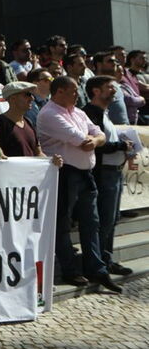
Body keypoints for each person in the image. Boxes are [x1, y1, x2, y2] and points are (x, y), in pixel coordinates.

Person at [37, 76, 119, 292]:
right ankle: (70, 269)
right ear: (60, 91)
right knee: (63, 223)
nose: (78, 94)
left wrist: (94, 140)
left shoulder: (79, 112)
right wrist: (92, 140)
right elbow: (81, 139)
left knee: (92, 222)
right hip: (64, 174)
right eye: (74, 91)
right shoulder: (49, 113)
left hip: (85, 173)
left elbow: (98, 134)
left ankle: (96, 268)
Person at [82, 76, 133, 277]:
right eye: (109, 87)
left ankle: (106, 258)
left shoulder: (104, 113)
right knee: (104, 219)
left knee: (111, 219)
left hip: (114, 172)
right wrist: (121, 146)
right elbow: (97, 146)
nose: (114, 90)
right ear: (96, 90)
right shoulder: (90, 113)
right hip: (103, 174)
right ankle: (100, 262)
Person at [0, 82, 51, 158]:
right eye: (27, 95)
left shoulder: (28, 122)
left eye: (32, 95)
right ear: (13, 98)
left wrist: (51, 161)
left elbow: (38, 153)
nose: (32, 98)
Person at [92, 51, 129, 124]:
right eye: (110, 61)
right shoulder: (95, 85)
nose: (114, 63)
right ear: (99, 64)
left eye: (115, 61)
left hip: (125, 128)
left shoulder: (115, 83)